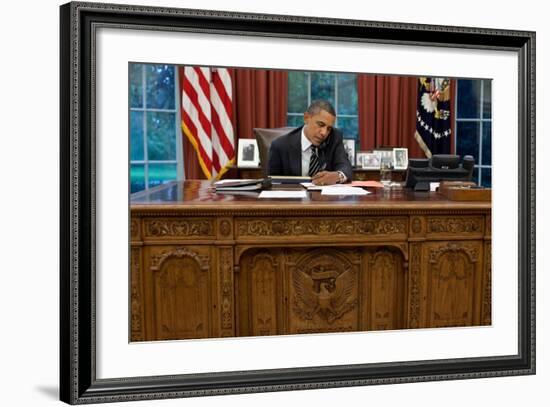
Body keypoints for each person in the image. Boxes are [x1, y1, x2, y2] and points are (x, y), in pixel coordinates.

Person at [267, 100, 352, 185]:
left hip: (324, 197)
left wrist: (337, 176)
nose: (324, 133)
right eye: (320, 124)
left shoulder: (334, 137)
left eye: (329, 128)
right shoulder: (280, 146)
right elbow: (273, 183)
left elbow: (345, 167)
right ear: (306, 118)